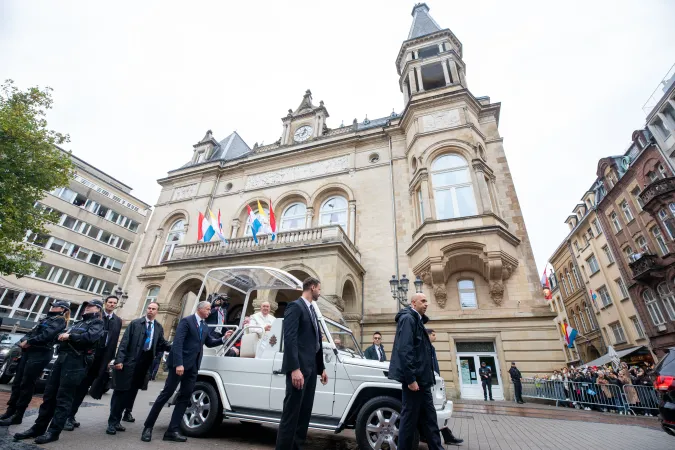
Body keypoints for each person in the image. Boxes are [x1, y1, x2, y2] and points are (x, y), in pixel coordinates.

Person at [14, 300, 104, 444]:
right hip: (62, 359)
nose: (86, 308)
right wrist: (63, 336)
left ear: (98, 309)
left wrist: (70, 336)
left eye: (90, 306)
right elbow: (58, 336)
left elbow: (89, 338)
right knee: (49, 395)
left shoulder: (97, 323)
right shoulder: (78, 323)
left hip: (76, 362)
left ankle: (53, 431)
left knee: (63, 398)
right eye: (85, 306)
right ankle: (39, 428)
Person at [142, 301, 229, 443]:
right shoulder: (186, 321)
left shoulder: (205, 326)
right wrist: (178, 364)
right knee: (166, 394)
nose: (209, 311)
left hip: (193, 367)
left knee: (185, 397)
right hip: (179, 365)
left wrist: (223, 339)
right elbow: (178, 343)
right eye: (207, 309)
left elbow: (209, 343)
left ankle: (172, 430)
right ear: (200, 309)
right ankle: (148, 427)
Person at [274, 277, 328, 450]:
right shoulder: (295, 307)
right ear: (312, 287)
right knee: (292, 414)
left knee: (304, 414)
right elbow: (290, 339)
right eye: (319, 289)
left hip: (311, 370)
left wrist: (322, 368)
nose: (320, 292)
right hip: (299, 370)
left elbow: (315, 341)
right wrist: (294, 368)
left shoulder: (312, 310)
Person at [387, 293, 444, 450]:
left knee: (430, 418)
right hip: (415, 381)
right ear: (413, 303)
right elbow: (405, 350)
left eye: (427, 301)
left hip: (423, 380)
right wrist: (411, 379)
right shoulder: (408, 319)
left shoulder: (417, 320)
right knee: (409, 420)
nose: (426, 304)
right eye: (423, 301)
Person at [0, 300, 69, 426]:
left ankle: (18, 415)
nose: (52, 308)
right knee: (17, 382)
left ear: (62, 309)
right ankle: (10, 411)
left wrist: (29, 342)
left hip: (41, 353)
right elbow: (31, 332)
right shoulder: (46, 319)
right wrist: (23, 341)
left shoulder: (60, 320)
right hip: (29, 352)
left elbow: (47, 335)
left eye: (56, 306)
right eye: (52, 306)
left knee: (26, 384)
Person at [106, 301, 171, 435]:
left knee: (131, 392)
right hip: (129, 362)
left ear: (157, 312)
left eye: (153, 309)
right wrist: (119, 360)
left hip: (144, 364)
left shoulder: (158, 327)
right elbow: (125, 342)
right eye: (149, 308)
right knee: (120, 391)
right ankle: (112, 422)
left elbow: (161, 344)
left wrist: (178, 346)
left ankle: (121, 417)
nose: (150, 310)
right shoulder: (135, 323)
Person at [66, 295, 122, 431]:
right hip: (89, 356)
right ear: (105, 303)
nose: (112, 305)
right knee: (78, 388)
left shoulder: (118, 321)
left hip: (103, 359)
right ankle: (68, 416)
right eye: (110, 302)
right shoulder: (96, 317)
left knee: (87, 387)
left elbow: (114, 341)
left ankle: (71, 416)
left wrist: (111, 359)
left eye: (115, 303)